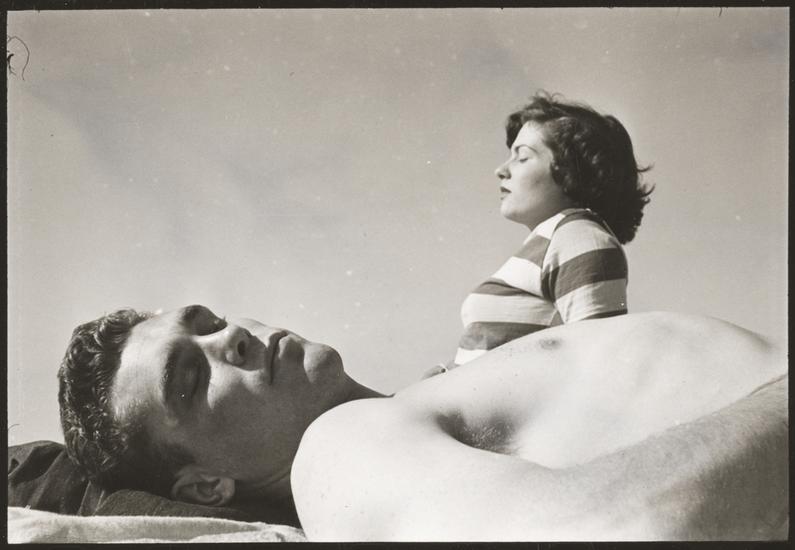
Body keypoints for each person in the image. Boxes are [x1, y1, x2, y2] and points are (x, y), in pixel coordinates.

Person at [58, 304, 787, 541]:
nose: (234, 338)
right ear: (206, 487)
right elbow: (622, 533)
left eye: (210, 322)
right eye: (192, 378)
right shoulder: (336, 450)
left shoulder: (406, 411)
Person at [447, 92, 654, 368]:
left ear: (570, 172)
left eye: (522, 157)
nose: (501, 170)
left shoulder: (578, 236)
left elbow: (599, 364)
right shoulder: (554, 239)